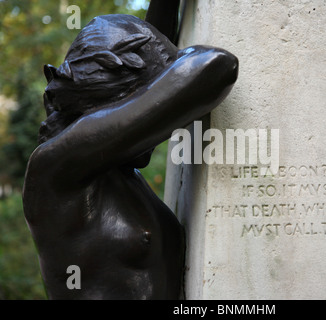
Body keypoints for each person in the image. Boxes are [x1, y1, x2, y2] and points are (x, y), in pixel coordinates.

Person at [22, 13, 238, 300]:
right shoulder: (54, 167)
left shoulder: (117, 170)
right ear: (119, 100)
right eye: (142, 99)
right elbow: (216, 66)